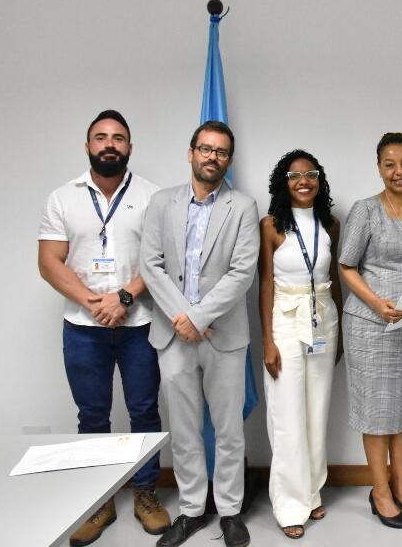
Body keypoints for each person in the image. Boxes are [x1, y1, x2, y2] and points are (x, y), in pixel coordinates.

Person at [38, 109, 170, 546]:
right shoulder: (63, 197)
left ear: (130, 147)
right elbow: (49, 261)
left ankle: (146, 494)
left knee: (144, 412)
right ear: (88, 145)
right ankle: (97, 502)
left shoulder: (154, 197)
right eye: (100, 137)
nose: (109, 144)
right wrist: (95, 302)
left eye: (118, 138)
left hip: (139, 325)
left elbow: (159, 262)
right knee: (92, 416)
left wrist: (124, 298)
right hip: (83, 325)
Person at [140, 121, 259, 547]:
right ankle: (191, 510)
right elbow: (150, 265)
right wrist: (185, 318)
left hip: (224, 335)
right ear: (190, 152)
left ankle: (229, 510)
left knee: (228, 430)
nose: (212, 157)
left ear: (229, 159)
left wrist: (201, 316)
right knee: (185, 430)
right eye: (205, 149)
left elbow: (242, 272)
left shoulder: (243, 207)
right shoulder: (160, 203)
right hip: (173, 335)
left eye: (221, 152)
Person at [338, 133, 402, 529]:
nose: (399, 172)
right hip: (369, 324)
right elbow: (347, 266)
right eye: (390, 164)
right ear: (379, 168)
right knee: (375, 411)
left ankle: (401, 485)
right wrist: (377, 302)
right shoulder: (365, 211)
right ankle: (379, 490)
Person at [258, 150, 343, 539]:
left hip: (323, 319)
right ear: (283, 182)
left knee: (316, 410)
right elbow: (265, 284)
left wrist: (338, 330)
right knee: (287, 413)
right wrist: (268, 341)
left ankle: (310, 492)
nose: (303, 181)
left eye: (310, 174)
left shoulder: (331, 224)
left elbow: (336, 279)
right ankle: (289, 504)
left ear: (319, 180)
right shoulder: (272, 225)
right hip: (286, 322)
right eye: (294, 175)